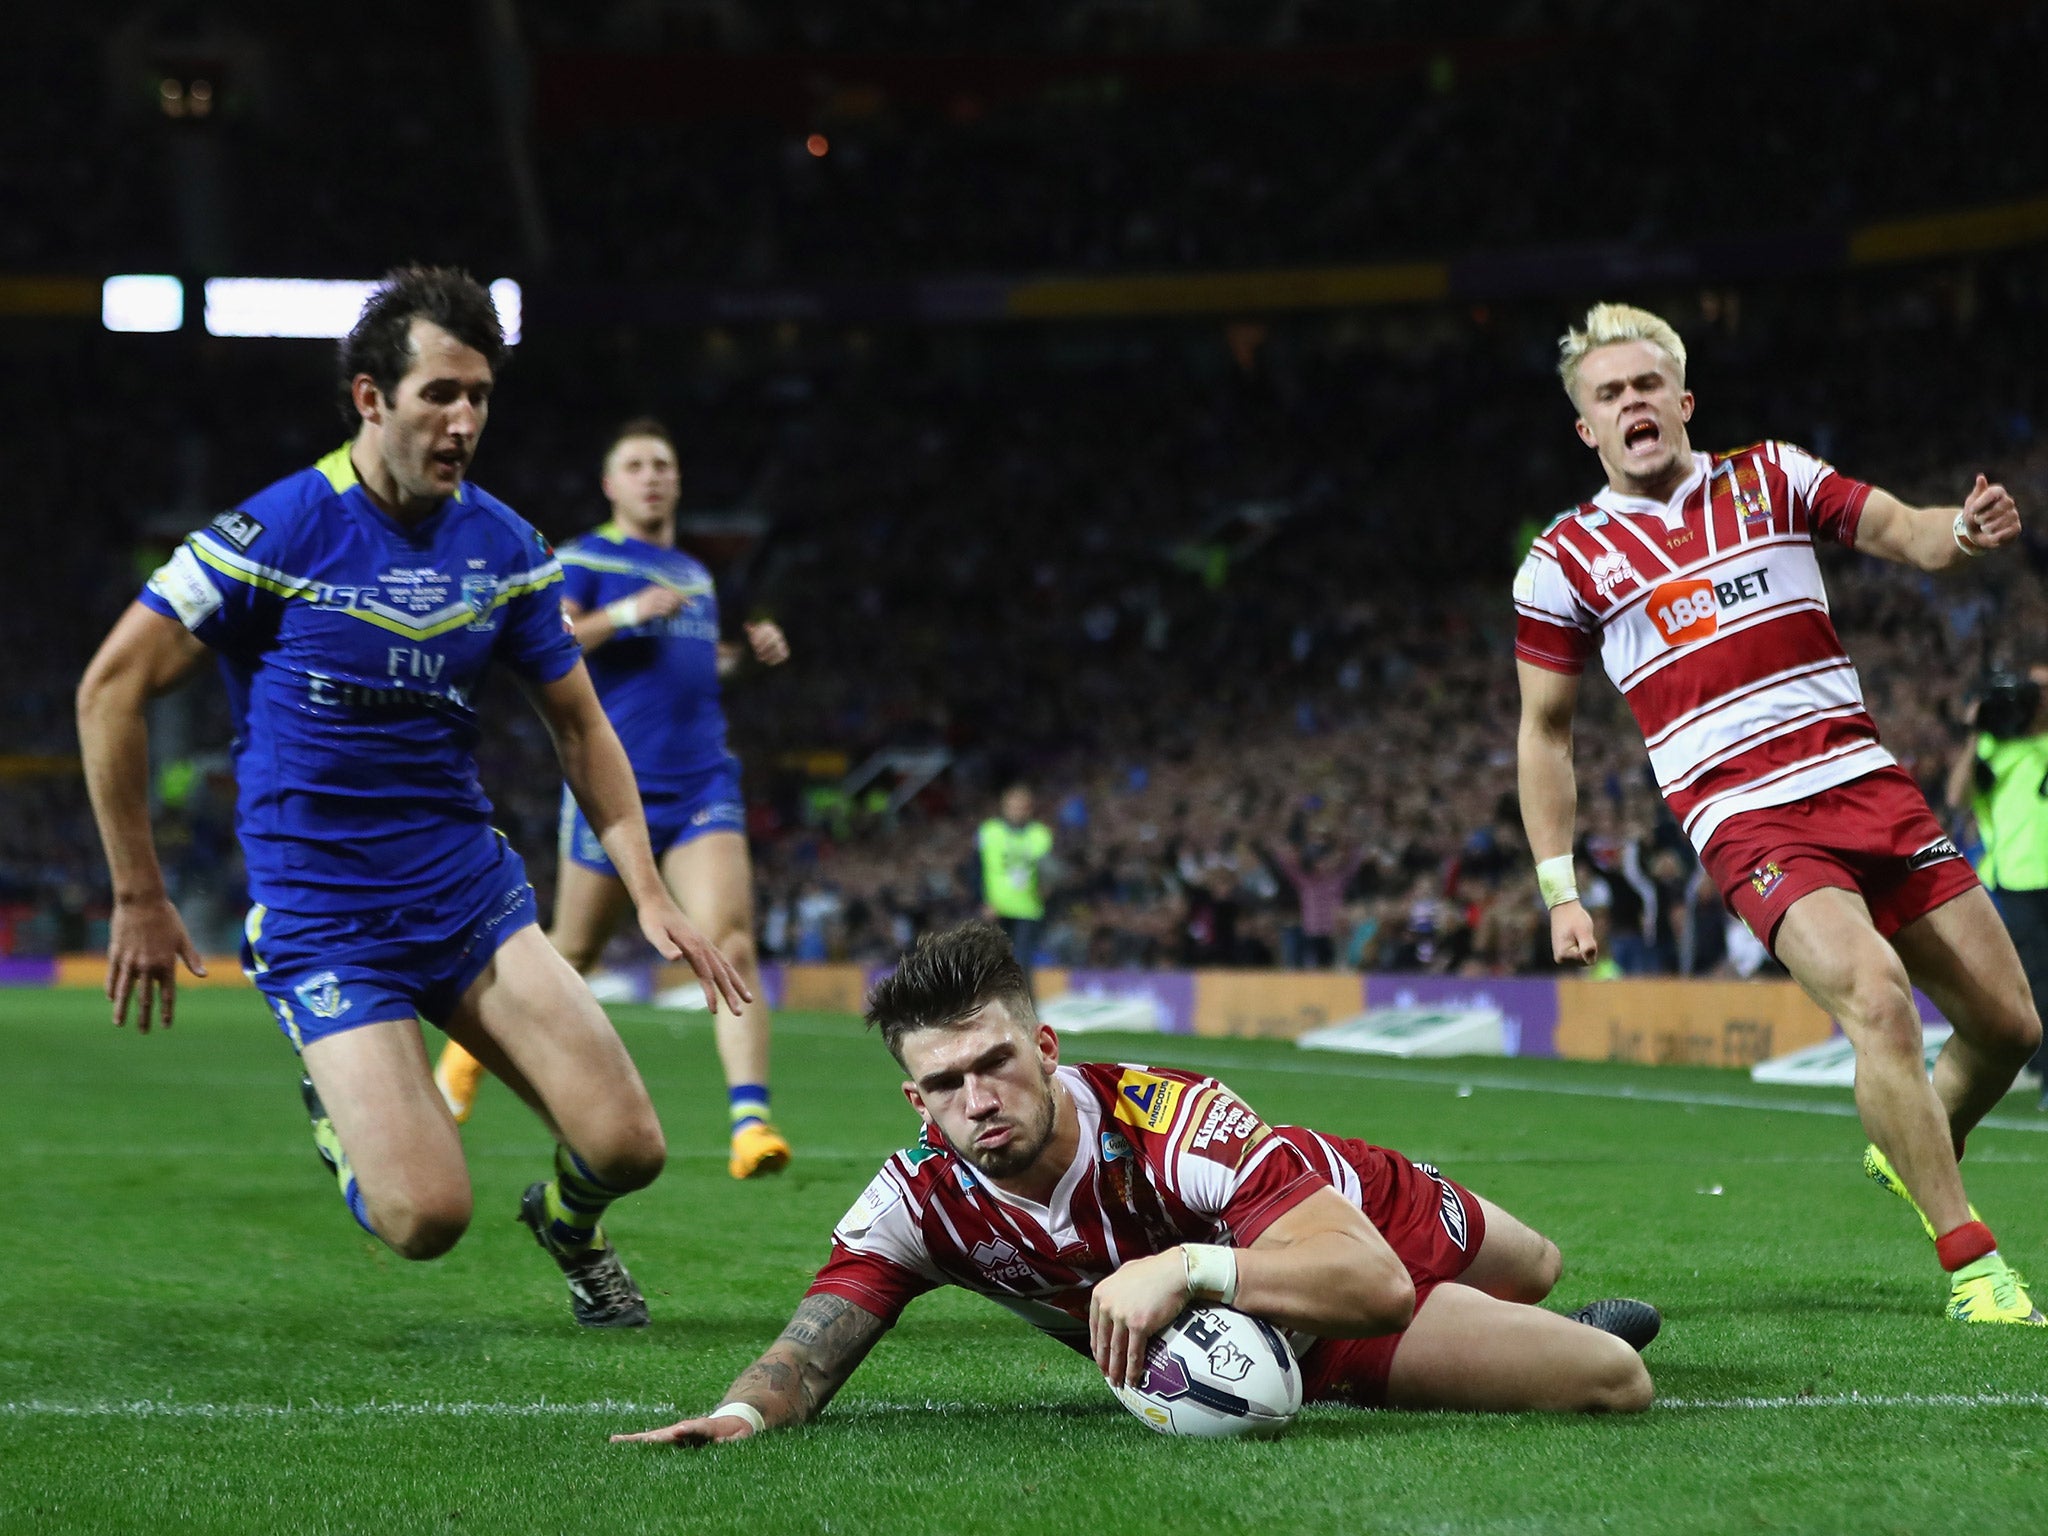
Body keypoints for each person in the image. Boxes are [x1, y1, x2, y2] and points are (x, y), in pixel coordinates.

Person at [75, 266, 747, 1328]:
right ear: (370, 399)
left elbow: (580, 726)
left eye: (479, 395)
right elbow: (109, 687)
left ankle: (568, 1227)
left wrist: (651, 894)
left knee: (630, 1148)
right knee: (426, 1220)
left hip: (465, 900)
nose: (464, 419)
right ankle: (333, 1095)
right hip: (325, 919)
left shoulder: (507, 549)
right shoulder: (275, 533)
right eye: (440, 393)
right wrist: (138, 895)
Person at [612, 923, 1655, 1447]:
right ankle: (1521, 1336)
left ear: (1046, 1047)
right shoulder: (917, 1202)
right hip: (1300, 1327)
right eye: (946, 1084)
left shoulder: (1173, 1126)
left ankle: (1497, 1311)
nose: (977, 1098)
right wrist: (739, 1417)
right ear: (914, 1102)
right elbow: (806, 1352)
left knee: (1537, 1266)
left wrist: (1183, 1267)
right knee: (1610, 1378)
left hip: (1339, 1205)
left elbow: (1369, 1275)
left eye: (995, 1065)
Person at [1514, 301, 2043, 1324]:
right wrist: (1557, 889)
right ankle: (1973, 1266)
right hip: (1746, 818)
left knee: (2007, 1025)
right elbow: (1544, 733)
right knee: (1876, 1001)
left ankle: (1914, 1133)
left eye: (1644, 385)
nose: (1631, 403)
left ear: (1681, 398)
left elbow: (1907, 534)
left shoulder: (1771, 476)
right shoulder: (1562, 562)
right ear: (1583, 426)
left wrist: (1964, 534)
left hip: (1866, 785)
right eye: (1607, 394)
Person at [432, 417, 795, 1181]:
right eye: (635, 465)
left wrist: (748, 660)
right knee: (573, 951)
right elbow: (548, 645)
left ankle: (750, 1122)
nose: (652, 476)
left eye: (662, 464)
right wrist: (629, 612)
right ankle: (468, 1052)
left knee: (730, 938)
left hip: (703, 782)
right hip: (616, 788)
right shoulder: (586, 558)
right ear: (611, 484)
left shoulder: (694, 574)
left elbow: (696, 669)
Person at [1944, 666, 2048, 1108]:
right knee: (2041, 981)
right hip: (2020, 880)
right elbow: (1956, 796)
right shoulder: (1991, 749)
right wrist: (1975, 731)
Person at [977, 784, 1052, 974]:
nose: (1017, 812)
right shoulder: (989, 831)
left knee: (1021, 964)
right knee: (992, 962)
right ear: (1004, 806)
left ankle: (1022, 1003)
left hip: (1028, 908)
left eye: (1021, 807)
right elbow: (975, 867)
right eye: (1012, 806)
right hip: (996, 909)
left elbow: (1049, 869)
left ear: (1029, 809)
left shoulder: (1040, 834)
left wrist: (1047, 887)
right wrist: (982, 900)